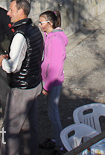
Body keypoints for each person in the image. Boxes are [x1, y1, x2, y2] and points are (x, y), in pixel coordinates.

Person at [0, 0, 44, 155]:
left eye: (11, 10)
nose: (8, 13)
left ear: (21, 11)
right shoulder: (35, 29)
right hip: (34, 84)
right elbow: (37, 55)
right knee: (30, 127)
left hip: (22, 88)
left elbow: (13, 67)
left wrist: (3, 62)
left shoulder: (20, 35)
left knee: (10, 131)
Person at [38, 11, 68, 154]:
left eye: (41, 22)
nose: (40, 25)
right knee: (51, 113)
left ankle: (60, 145)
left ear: (50, 23)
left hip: (53, 83)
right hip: (50, 81)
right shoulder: (50, 36)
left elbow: (55, 67)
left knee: (53, 115)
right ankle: (56, 138)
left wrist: (47, 86)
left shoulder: (55, 40)